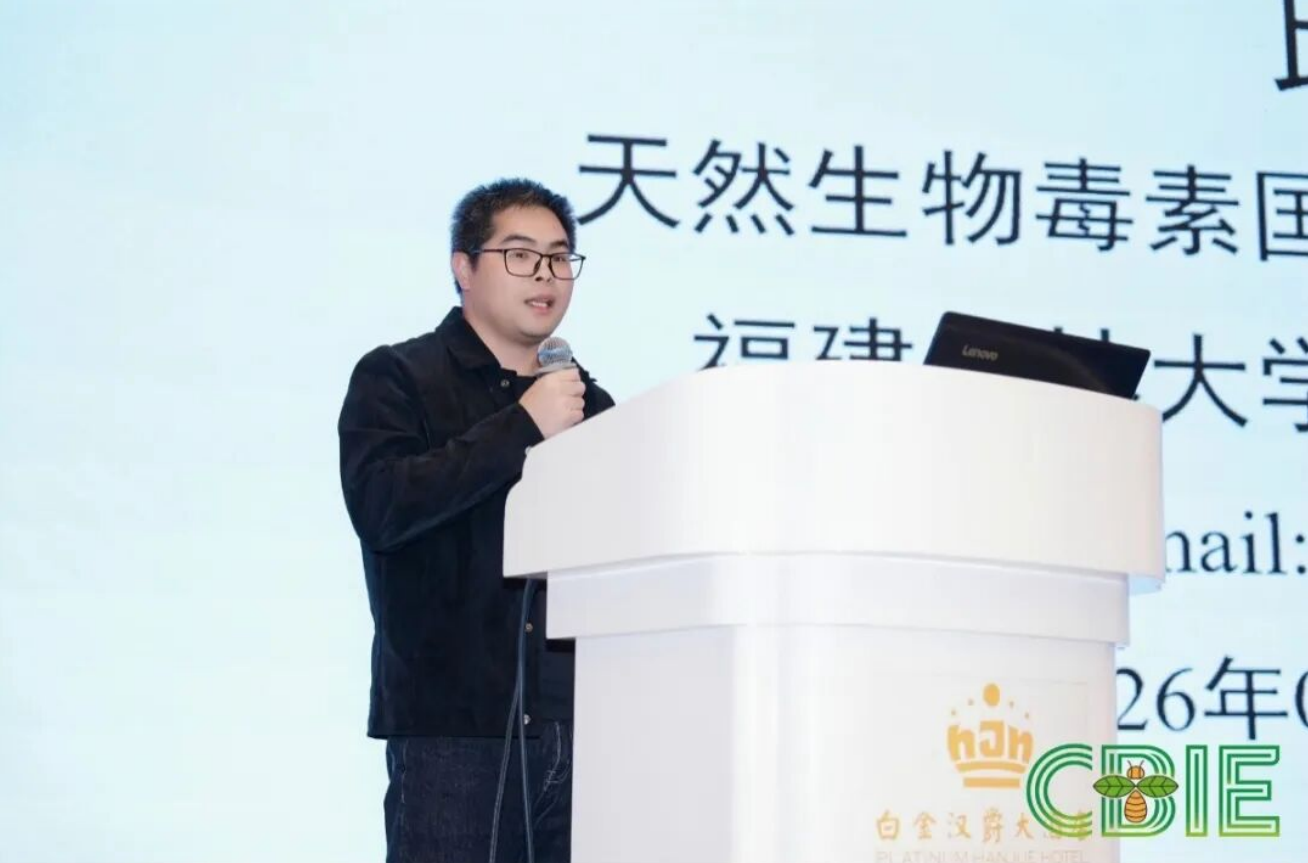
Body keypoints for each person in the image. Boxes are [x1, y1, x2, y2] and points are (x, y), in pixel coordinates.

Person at [337, 178, 614, 862]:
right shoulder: (397, 377)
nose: (545, 274)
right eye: (520, 254)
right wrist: (522, 426)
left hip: (585, 729)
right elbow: (383, 508)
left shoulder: (591, 404)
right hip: (456, 734)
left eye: (559, 257)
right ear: (463, 266)